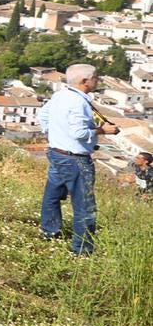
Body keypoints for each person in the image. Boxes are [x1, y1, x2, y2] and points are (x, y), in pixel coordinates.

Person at [38, 63, 118, 255]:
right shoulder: (78, 102)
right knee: (85, 206)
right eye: (96, 77)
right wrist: (103, 130)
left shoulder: (60, 95)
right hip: (75, 159)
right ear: (85, 81)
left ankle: (50, 232)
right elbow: (80, 133)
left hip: (57, 153)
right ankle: (82, 250)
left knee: (52, 196)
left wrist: (54, 136)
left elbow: (43, 115)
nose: (98, 80)